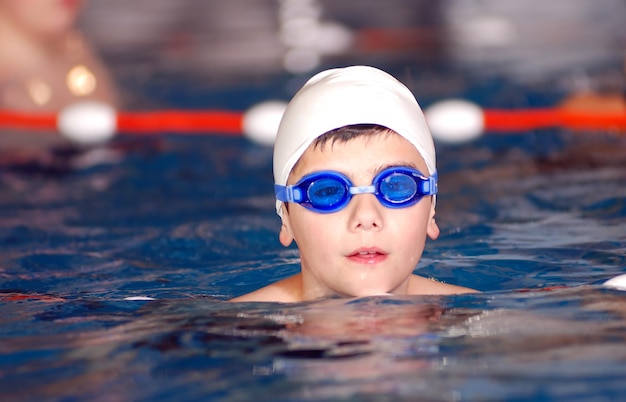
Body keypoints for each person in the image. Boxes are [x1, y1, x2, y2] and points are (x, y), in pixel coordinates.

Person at [232, 65, 477, 302]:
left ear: (431, 209)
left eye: (395, 187)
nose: (366, 216)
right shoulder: (231, 332)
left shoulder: (478, 321)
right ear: (285, 217)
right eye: (328, 191)